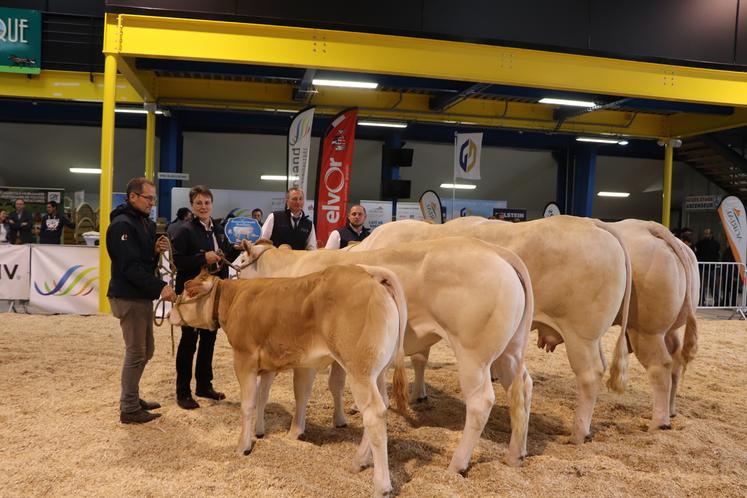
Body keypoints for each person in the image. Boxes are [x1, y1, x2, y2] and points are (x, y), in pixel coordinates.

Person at [107, 177, 177, 424]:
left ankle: (133, 397)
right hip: (128, 295)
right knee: (137, 352)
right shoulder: (121, 225)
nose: (152, 204)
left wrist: (154, 250)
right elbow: (129, 267)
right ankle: (128, 408)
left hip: (140, 296)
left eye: (154, 199)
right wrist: (161, 287)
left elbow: (140, 258)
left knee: (146, 350)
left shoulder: (142, 223)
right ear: (133, 197)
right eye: (148, 198)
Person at [171, 185, 237, 410]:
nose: (203, 206)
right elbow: (178, 261)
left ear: (212, 204)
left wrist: (239, 246)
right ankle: (183, 392)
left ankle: (204, 385)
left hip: (215, 292)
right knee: (189, 341)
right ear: (192, 205)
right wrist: (202, 258)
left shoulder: (219, 229)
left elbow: (226, 253)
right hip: (192, 293)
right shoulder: (184, 230)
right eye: (198, 203)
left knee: (209, 339)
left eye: (206, 202)